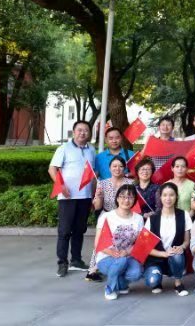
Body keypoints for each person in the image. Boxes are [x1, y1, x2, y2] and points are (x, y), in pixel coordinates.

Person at [49, 120, 96, 277]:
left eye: (86, 130)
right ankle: (62, 263)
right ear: (74, 132)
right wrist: (60, 185)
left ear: (89, 133)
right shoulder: (64, 148)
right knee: (64, 230)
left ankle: (76, 260)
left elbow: (93, 174)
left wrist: (93, 195)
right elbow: (52, 169)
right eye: (79, 130)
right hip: (67, 197)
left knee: (79, 230)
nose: (83, 133)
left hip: (85, 196)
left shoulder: (92, 150)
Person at [87, 155, 134, 282]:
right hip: (107, 215)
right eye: (114, 166)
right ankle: (93, 269)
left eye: (120, 166)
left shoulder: (130, 183)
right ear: (109, 168)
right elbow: (98, 207)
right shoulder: (102, 183)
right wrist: (97, 197)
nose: (117, 168)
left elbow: (133, 202)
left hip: (124, 216)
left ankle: (121, 265)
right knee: (102, 241)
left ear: (124, 168)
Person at [93, 184, 144, 300]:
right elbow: (97, 243)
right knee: (121, 261)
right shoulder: (106, 216)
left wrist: (126, 252)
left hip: (127, 255)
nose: (126, 200)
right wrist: (111, 252)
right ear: (117, 198)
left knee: (136, 273)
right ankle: (110, 288)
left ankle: (121, 284)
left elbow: (139, 243)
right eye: (122, 196)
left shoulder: (138, 218)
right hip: (106, 257)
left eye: (130, 197)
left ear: (134, 200)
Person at [144, 182, 191, 296]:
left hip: (174, 256)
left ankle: (178, 283)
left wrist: (182, 247)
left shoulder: (184, 215)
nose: (168, 198)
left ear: (176, 196)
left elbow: (187, 241)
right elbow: (146, 247)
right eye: (165, 195)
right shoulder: (152, 218)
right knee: (152, 281)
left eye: (171, 195)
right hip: (156, 258)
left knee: (177, 255)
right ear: (160, 197)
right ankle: (158, 280)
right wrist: (164, 254)